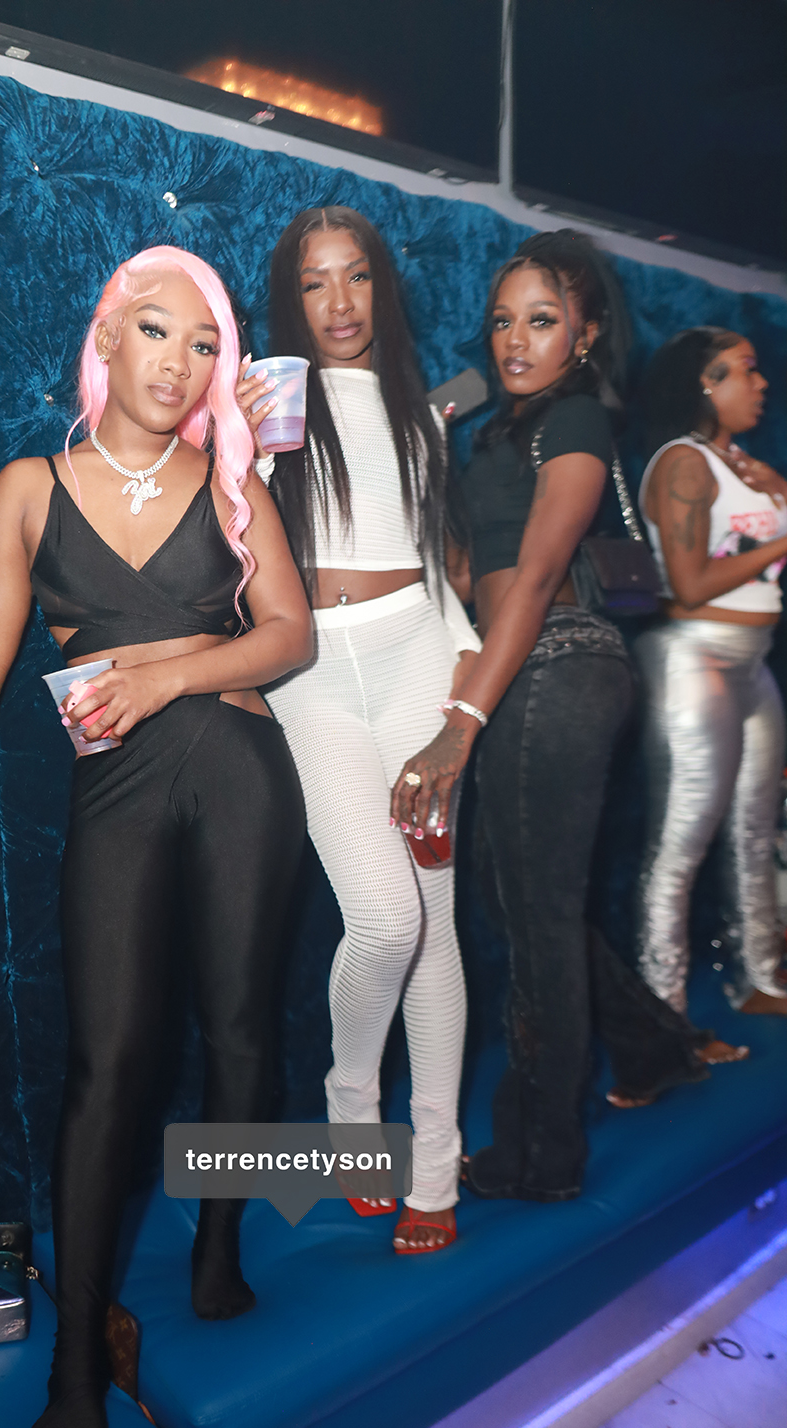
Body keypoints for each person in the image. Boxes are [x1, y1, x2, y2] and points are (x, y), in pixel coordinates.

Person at [0, 247, 311, 1428]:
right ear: (105, 337)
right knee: (106, 1067)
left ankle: (217, 1246)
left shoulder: (231, 479)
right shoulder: (29, 487)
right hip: (119, 794)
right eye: (155, 331)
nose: (178, 362)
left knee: (241, 1033)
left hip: (244, 774)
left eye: (204, 344)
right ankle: (77, 1361)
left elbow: (287, 636)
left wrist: (165, 674)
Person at [401, 229, 710, 1204]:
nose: (513, 340)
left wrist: (459, 723)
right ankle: (650, 1043)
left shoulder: (573, 418)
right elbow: (466, 562)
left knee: (534, 923)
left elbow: (535, 579)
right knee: (524, 907)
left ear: (586, 332)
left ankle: (541, 1155)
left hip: (557, 661)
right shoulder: (498, 424)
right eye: (501, 321)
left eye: (541, 320)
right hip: (521, 670)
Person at [237, 206, 482, 1254]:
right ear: (289, 298)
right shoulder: (259, 405)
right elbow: (226, 544)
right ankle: (351, 1106)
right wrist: (236, 440)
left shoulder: (421, 415)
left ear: (381, 287)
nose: (338, 302)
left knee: (435, 924)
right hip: (310, 676)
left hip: (417, 657)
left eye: (356, 277)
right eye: (314, 282)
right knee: (384, 921)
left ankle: (433, 1169)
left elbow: (436, 565)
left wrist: (462, 678)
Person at [636, 328, 787, 1021]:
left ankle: (762, 978)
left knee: (756, 831)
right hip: (696, 659)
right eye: (745, 371)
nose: (761, 384)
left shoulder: (744, 465)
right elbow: (691, 584)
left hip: (754, 662)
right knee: (680, 843)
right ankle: (663, 1016)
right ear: (706, 383)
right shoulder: (683, 462)